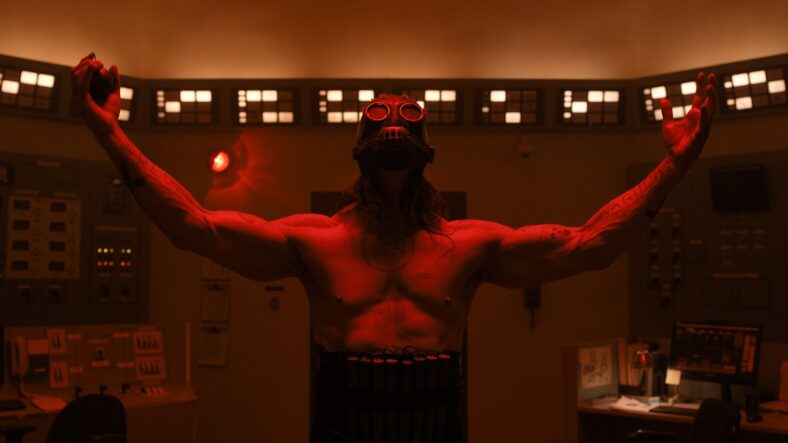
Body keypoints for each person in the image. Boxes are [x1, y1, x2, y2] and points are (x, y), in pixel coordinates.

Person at [71, 53, 716, 443]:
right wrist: (109, 134)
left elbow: (589, 245)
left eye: (407, 118)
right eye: (380, 117)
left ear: (426, 152)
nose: (394, 125)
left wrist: (676, 165)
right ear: (360, 148)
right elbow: (194, 226)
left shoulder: (468, 246)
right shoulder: (314, 240)